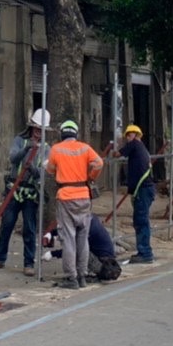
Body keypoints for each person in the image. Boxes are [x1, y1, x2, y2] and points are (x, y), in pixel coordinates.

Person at [0, 110, 49, 276]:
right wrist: (26, 150)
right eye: (36, 130)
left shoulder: (46, 149)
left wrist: (33, 169)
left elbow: (44, 172)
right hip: (13, 189)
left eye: (41, 131)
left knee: (29, 228)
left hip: (31, 191)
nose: (38, 133)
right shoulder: (20, 141)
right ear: (31, 128)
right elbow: (13, 158)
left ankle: (29, 263)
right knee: (7, 224)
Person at [45, 120, 103, 289]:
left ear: (62, 134)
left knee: (68, 238)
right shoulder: (85, 148)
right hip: (84, 196)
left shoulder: (56, 149)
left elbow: (49, 169)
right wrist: (91, 176)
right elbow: (99, 163)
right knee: (82, 238)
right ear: (76, 134)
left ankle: (72, 278)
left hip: (65, 196)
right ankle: (83, 276)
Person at [118, 124, 155, 264]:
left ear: (133, 135)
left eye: (128, 135)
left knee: (141, 221)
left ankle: (145, 253)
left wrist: (110, 152)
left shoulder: (134, 144)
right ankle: (144, 251)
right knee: (141, 220)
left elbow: (119, 153)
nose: (127, 138)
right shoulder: (142, 148)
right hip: (145, 190)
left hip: (143, 190)